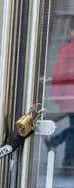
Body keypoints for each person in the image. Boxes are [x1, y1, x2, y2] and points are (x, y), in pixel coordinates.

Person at [49, 18, 74, 170]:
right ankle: (68, 156)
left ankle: (55, 141)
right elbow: (60, 74)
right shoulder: (68, 49)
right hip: (71, 97)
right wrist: (59, 94)